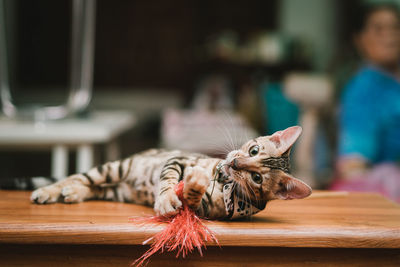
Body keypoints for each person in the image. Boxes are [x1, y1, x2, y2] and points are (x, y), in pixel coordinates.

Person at [334, 4, 400, 201]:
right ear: (360, 40)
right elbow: (353, 166)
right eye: (378, 29)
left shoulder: (392, 83)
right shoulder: (363, 91)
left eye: (395, 28)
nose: (390, 37)